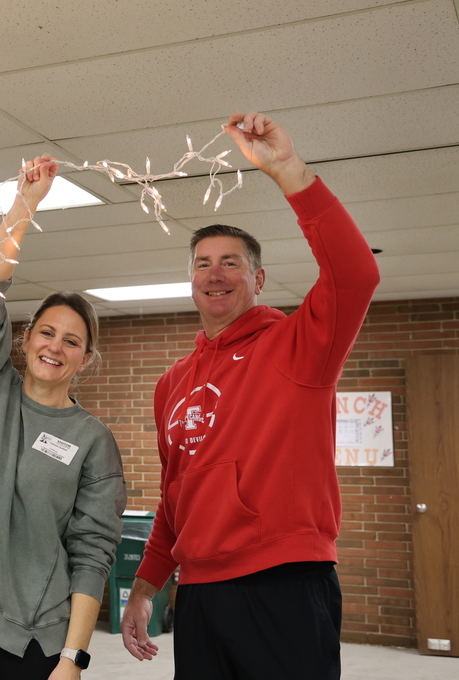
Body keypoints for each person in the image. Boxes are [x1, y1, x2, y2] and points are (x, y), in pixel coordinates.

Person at [120, 111, 381, 679]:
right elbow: (175, 497)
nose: (215, 274)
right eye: (203, 264)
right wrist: (145, 586)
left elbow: (356, 276)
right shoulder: (172, 384)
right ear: (191, 281)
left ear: (258, 280)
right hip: (200, 595)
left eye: (231, 263)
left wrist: (288, 169)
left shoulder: (296, 347)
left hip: (283, 584)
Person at [0, 154, 127, 680]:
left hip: (36, 637)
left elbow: (92, 555)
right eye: (46, 332)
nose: (55, 347)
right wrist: (25, 204)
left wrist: (73, 658)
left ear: (86, 359)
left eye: (72, 341)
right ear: (26, 337)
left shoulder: (92, 441)